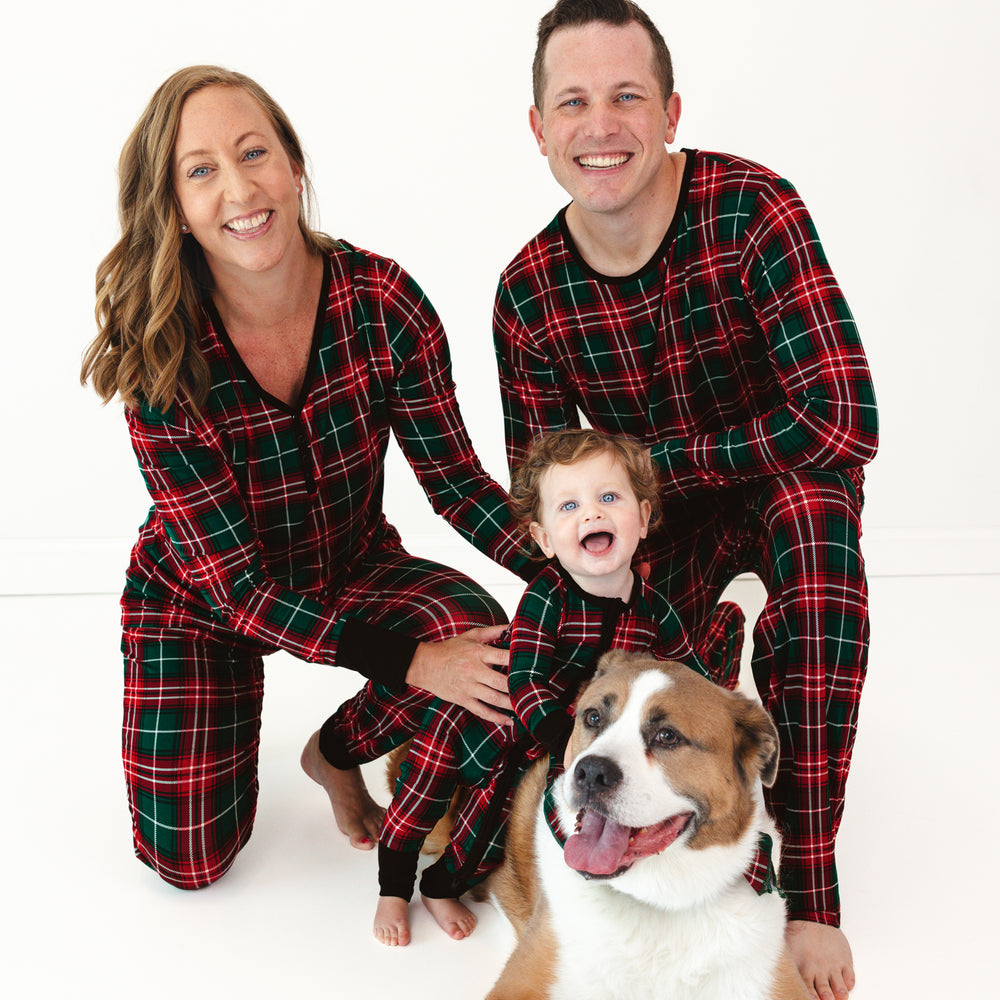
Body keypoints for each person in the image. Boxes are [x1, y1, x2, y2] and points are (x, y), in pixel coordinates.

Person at [492, 4, 879, 999]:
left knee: (816, 525)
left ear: (668, 109)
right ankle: (603, 850)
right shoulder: (528, 292)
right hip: (655, 528)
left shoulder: (752, 208)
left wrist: (653, 463)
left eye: (625, 96)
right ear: (538, 127)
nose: (600, 124)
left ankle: (809, 888)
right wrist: (593, 558)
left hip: (774, 490)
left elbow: (842, 419)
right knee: (618, 660)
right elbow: (541, 496)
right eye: (572, 101)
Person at [80, 65, 537, 890]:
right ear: (176, 210)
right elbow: (241, 593)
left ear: (295, 167)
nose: (239, 187)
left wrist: (573, 569)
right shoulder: (162, 357)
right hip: (205, 601)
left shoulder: (382, 301)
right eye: (201, 169)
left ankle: (332, 755)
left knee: (483, 645)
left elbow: (457, 483)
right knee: (189, 863)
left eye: (254, 152)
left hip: (348, 562)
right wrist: (410, 661)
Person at [372, 428, 738, 947]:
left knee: (485, 835)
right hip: (496, 722)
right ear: (544, 539)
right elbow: (524, 677)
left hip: (565, 743)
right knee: (424, 799)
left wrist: (714, 709)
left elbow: (688, 671)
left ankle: (440, 884)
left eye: (608, 498)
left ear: (644, 519)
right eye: (569, 506)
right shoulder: (549, 595)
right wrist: (562, 734)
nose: (591, 514)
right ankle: (392, 888)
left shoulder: (653, 606)